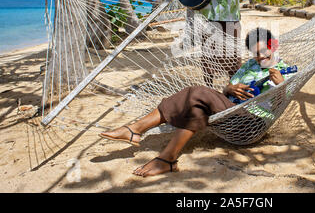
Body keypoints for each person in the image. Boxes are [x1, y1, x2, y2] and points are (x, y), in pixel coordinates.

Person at [99, 28, 293, 177]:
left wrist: (281, 85)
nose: (260, 57)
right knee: (196, 106)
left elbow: (279, 106)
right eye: (255, 53)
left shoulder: (288, 71)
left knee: (196, 92)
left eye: (263, 51)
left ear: (274, 45)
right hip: (229, 112)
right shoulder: (251, 65)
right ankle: (167, 159)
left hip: (251, 123)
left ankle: (136, 130)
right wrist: (229, 89)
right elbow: (228, 88)